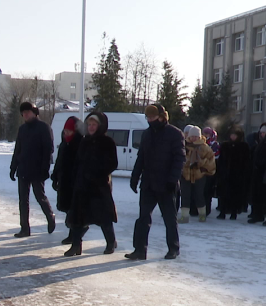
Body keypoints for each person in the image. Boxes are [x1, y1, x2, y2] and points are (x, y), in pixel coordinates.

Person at [127, 104, 185, 260]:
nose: (149, 120)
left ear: (161, 117)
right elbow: (141, 157)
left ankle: (173, 248)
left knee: (169, 218)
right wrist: (135, 177)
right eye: (147, 118)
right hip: (148, 184)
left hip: (166, 185)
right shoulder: (147, 134)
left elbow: (179, 159)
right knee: (143, 218)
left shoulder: (175, 134)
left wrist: (173, 180)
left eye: (152, 117)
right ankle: (139, 249)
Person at [64, 112, 118, 256]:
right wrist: (75, 179)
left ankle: (111, 242)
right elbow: (78, 162)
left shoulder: (107, 142)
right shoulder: (85, 141)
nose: (91, 127)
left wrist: (98, 174)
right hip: (82, 185)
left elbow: (113, 163)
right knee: (78, 218)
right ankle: (76, 245)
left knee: (104, 217)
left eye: (94, 125)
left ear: (100, 126)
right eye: (89, 124)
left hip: (99, 187)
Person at [10, 102, 55, 237]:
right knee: (23, 200)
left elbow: (48, 150)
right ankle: (24, 228)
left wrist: (44, 169)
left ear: (35, 113)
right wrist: (13, 167)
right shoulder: (22, 129)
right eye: (23, 113)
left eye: (28, 112)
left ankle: (50, 216)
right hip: (23, 169)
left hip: (37, 169)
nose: (25, 115)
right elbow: (18, 149)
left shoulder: (44, 128)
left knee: (39, 196)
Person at [51, 116, 85, 245]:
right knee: (67, 209)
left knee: (74, 211)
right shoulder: (64, 143)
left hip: (75, 182)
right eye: (65, 132)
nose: (66, 134)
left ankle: (75, 236)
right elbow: (59, 162)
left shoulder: (80, 144)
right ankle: (74, 234)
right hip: (64, 181)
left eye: (69, 132)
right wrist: (55, 177)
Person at [179, 126, 216, 223]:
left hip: (199, 175)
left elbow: (211, 162)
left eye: (196, 136)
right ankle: (184, 216)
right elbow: (178, 158)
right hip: (186, 174)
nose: (194, 138)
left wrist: (200, 164)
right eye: (192, 136)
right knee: (185, 195)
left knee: (199, 195)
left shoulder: (205, 148)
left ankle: (202, 215)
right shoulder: (184, 146)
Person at [216, 126, 250, 220]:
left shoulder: (244, 146)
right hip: (225, 174)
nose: (233, 137)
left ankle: (234, 212)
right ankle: (222, 212)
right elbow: (221, 160)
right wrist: (221, 172)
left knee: (235, 195)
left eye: (235, 135)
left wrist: (243, 174)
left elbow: (246, 162)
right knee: (223, 194)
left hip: (237, 175)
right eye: (232, 135)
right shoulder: (225, 145)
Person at [202, 127, 220, 215]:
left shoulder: (214, 145)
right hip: (200, 170)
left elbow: (215, 156)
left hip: (210, 171)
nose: (205, 135)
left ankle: (207, 209)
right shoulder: (201, 143)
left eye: (207, 134)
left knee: (208, 191)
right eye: (204, 133)